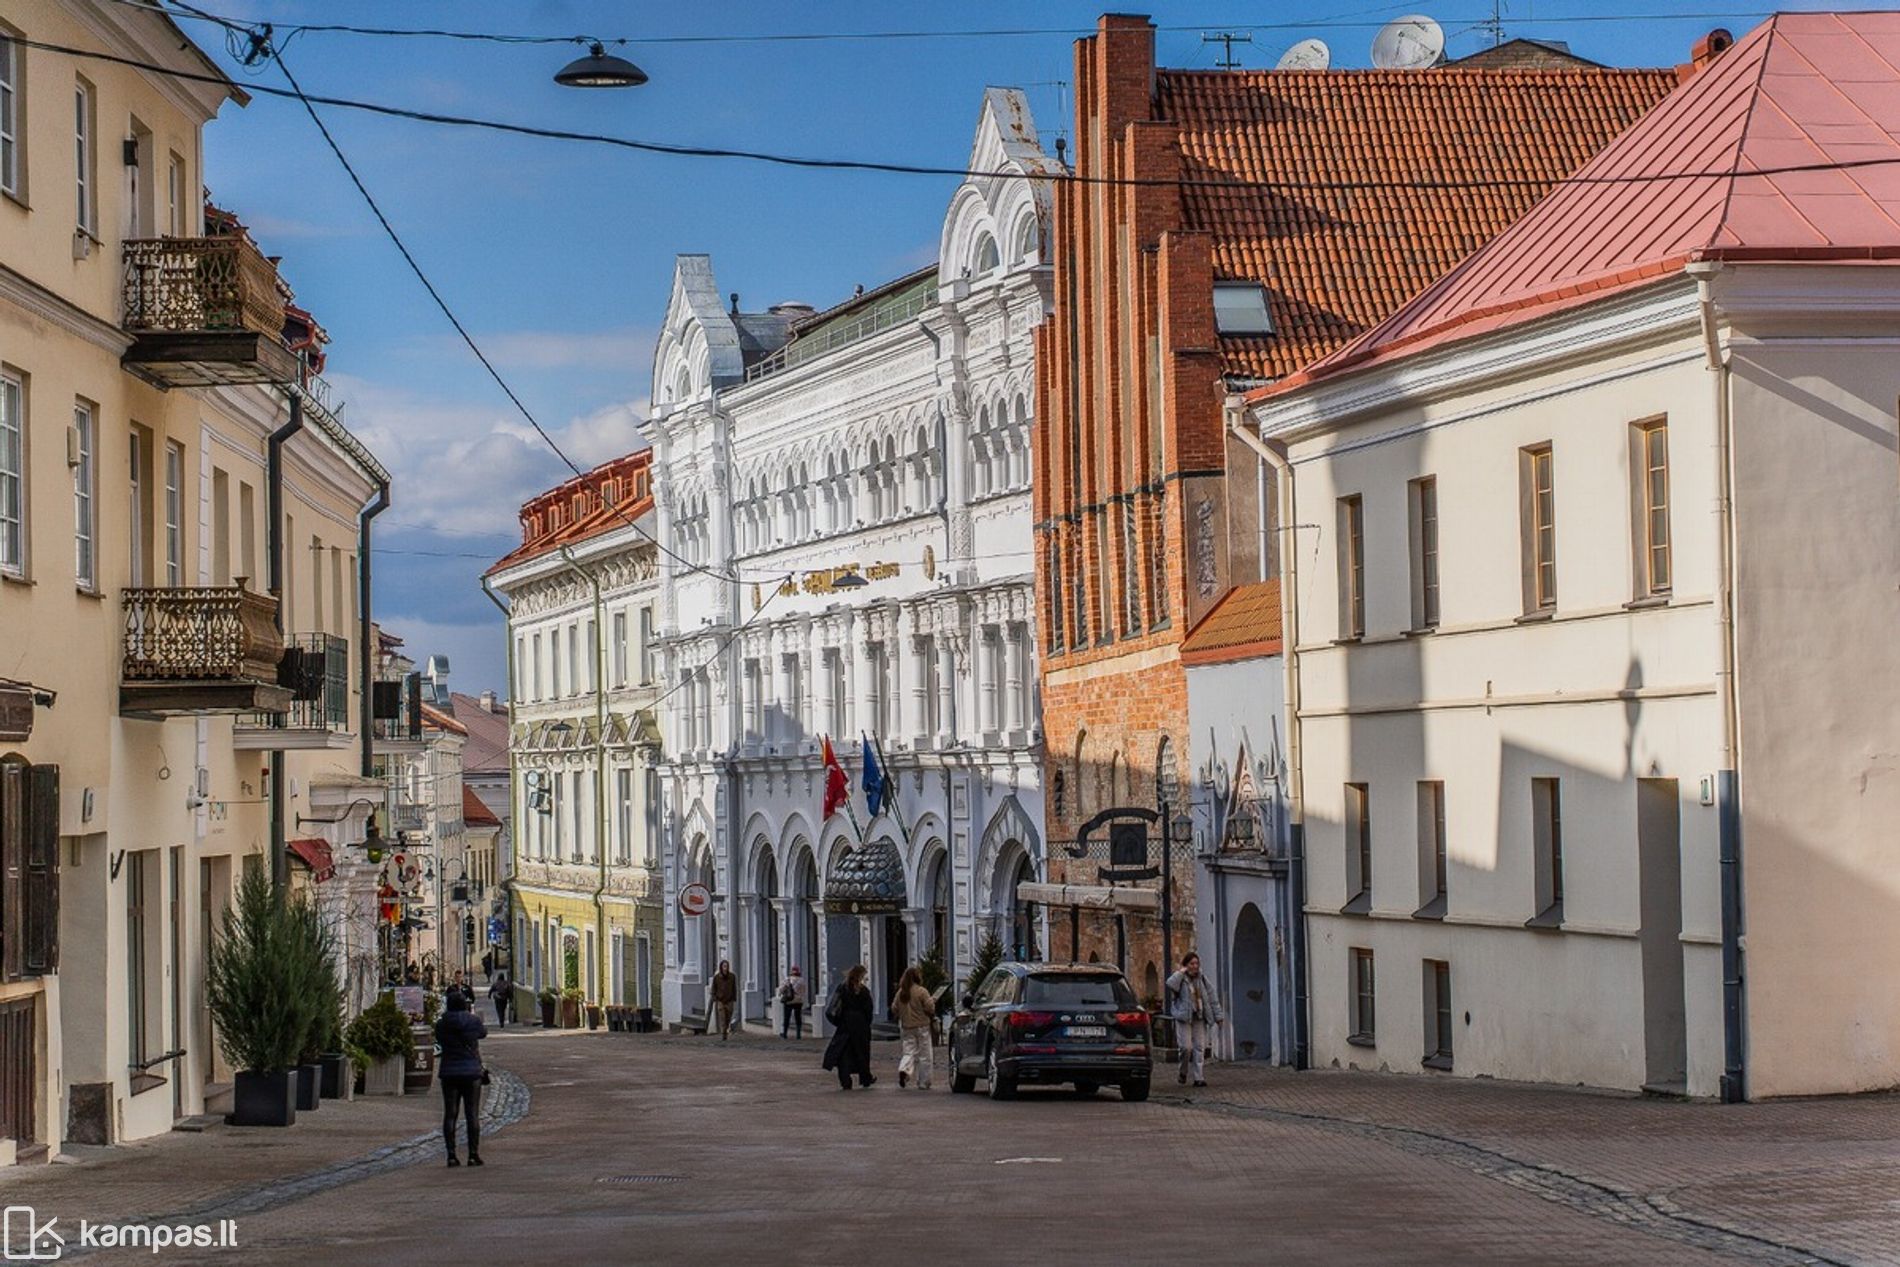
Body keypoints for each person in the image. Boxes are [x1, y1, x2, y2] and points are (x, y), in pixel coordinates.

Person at [434, 989, 489, 1167]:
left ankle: (451, 1155)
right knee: (472, 1114)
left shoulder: (441, 1024)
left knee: (450, 1114)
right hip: (471, 1072)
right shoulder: (473, 1021)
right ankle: (473, 1155)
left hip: (449, 1071)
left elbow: (439, 1039)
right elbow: (483, 1033)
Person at [1165, 952, 1224, 1088]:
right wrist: (1181, 972)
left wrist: (1218, 1016)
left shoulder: (1202, 979)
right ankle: (1183, 1071)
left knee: (1199, 1047)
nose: (1195, 966)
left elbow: (1212, 998)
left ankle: (1199, 1077)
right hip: (1184, 1017)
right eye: (1192, 963)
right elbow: (1170, 984)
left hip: (1199, 1016)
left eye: (1196, 963)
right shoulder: (1180, 978)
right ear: (1186, 965)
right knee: (1186, 1048)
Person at [820, 964, 876, 1090]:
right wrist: (866, 1023)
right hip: (860, 1024)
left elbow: (832, 1007)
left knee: (844, 1052)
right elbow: (869, 1010)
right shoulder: (863, 991)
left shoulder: (842, 988)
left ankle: (845, 1080)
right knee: (862, 1052)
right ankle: (865, 1078)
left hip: (845, 1023)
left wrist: (838, 1021)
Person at [892, 966, 937, 1090]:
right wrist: (932, 1001)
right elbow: (930, 1008)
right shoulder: (922, 991)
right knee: (925, 1055)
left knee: (908, 1052)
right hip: (922, 1026)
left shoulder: (901, 992)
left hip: (906, 1027)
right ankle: (924, 1082)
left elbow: (894, 1008)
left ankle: (904, 1069)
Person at [710, 959, 738, 1040]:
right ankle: (723, 1033)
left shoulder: (732, 977)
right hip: (720, 1000)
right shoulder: (717, 977)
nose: (725, 968)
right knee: (722, 1017)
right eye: (724, 966)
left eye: (727, 966)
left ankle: (725, 1028)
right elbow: (714, 988)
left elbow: (734, 988)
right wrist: (714, 997)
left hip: (729, 1000)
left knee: (728, 1017)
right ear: (721, 967)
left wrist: (734, 997)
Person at [778, 965, 807, 1040]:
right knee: (798, 1017)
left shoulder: (787, 980)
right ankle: (798, 1034)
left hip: (789, 1001)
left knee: (786, 1017)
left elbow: (781, 990)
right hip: (798, 1001)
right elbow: (804, 991)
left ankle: (784, 1033)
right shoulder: (802, 980)